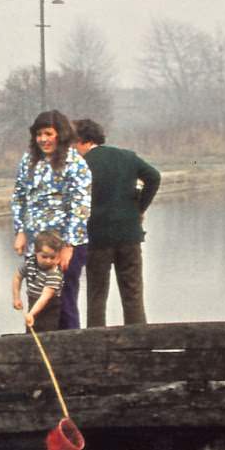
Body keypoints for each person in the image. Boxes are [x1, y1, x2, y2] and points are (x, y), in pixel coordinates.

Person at [73, 118, 161, 327]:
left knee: (96, 295)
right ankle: (139, 342)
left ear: (81, 140)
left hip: (97, 239)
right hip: (129, 236)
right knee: (133, 293)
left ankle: (96, 342)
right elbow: (154, 177)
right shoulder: (126, 157)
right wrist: (139, 208)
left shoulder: (80, 165)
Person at [10, 110, 92, 329]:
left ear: (60, 134)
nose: (43, 139)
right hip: (36, 243)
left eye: (48, 133)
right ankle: (38, 352)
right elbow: (19, 196)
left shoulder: (75, 164)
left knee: (63, 300)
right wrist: (20, 231)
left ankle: (71, 352)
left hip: (64, 244)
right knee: (37, 301)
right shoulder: (29, 160)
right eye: (39, 134)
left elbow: (80, 206)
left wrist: (69, 246)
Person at [13, 230, 65, 332]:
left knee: (47, 333)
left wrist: (31, 314)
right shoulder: (30, 263)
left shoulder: (54, 274)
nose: (48, 261)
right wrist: (16, 298)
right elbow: (17, 277)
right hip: (32, 301)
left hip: (49, 308)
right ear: (36, 253)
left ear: (58, 256)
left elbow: (44, 298)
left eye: (53, 257)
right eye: (44, 256)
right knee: (31, 331)